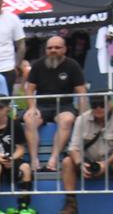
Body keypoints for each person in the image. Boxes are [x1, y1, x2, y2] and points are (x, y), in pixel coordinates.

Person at [56, 96, 113, 214]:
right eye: (94, 105)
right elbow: (73, 148)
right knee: (67, 161)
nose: (98, 108)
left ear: (110, 104)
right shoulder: (82, 119)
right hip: (88, 160)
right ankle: (70, 205)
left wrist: (105, 164)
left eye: (102, 105)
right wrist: (80, 164)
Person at [23, 35, 87, 173]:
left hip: (64, 105)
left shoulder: (73, 65)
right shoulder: (38, 65)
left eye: (57, 47)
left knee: (67, 119)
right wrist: (32, 107)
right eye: (50, 48)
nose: (53, 50)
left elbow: (81, 92)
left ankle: (53, 159)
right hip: (42, 105)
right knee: (29, 119)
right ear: (45, 50)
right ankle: (34, 160)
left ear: (64, 49)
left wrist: (83, 115)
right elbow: (29, 88)